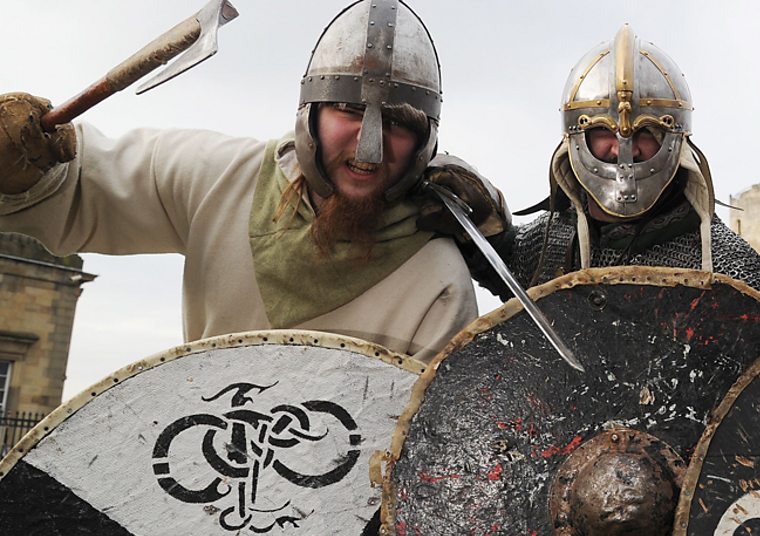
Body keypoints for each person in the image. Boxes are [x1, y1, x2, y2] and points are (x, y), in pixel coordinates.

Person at [0, 0, 507, 362]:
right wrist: (25, 164)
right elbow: (85, 183)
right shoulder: (220, 180)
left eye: (398, 123)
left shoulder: (438, 278)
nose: (369, 148)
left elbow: (434, 448)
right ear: (310, 113)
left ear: (425, 141)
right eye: (349, 110)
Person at [495, 24, 760, 297]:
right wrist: (488, 232)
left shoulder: (731, 266)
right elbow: (503, 275)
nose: (623, 149)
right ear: (576, 138)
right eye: (603, 130)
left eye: (645, 131)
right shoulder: (547, 246)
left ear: (675, 143)